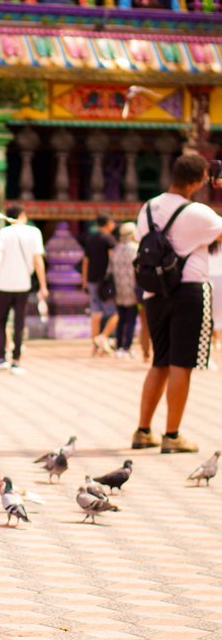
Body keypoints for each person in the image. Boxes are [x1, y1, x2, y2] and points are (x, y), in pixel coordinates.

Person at [132, 151, 222, 453]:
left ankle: (143, 430)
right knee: (181, 364)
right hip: (190, 292)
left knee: (159, 362)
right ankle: (172, 435)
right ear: (197, 181)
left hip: (154, 293)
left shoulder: (147, 208)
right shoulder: (198, 213)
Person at [0, 205, 48, 375]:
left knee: (0, 321)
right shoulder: (34, 232)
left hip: (3, 284)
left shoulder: (3, 233)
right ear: (22, 215)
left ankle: (0, 358)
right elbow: (38, 260)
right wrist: (43, 285)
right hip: (23, 284)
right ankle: (16, 361)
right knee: (19, 323)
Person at [81, 213, 118, 355]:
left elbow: (86, 261)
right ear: (108, 223)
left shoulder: (91, 239)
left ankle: (94, 347)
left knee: (95, 313)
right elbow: (113, 259)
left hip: (92, 280)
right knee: (114, 313)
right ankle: (103, 337)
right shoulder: (109, 239)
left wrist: (84, 280)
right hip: (106, 282)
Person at [110, 222, 139, 358]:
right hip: (131, 288)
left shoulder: (117, 248)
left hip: (118, 287)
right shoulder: (135, 248)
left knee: (121, 318)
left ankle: (119, 345)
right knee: (131, 318)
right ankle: (127, 346)